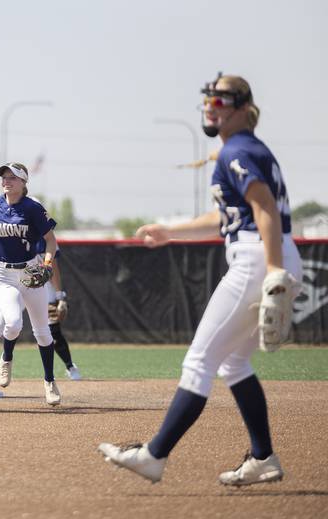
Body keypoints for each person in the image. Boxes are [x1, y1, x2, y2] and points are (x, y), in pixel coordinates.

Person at [98, 74, 302, 486]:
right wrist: (171, 231)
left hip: (257, 257)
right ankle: (262, 457)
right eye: (209, 99)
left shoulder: (237, 150)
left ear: (244, 107)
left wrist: (275, 271)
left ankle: (153, 455)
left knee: (199, 361)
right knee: (233, 361)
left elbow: (264, 209)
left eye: (222, 100)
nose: (212, 106)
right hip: (269, 252)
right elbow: (230, 215)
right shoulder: (243, 149)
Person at [0, 162, 61, 405]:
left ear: (24, 183)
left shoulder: (32, 208)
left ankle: (49, 381)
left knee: (43, 332)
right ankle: (6, 358)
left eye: (13, 178)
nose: (7, 180)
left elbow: (51, 241)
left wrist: (47, 264)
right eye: (4, 177)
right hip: (4, 275)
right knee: (13, 323)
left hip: (31, 273)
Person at [0, 241, 80, 382]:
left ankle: (70, 367)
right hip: (16, 284)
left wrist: (59, 294)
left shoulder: (45, 233)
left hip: (41, 286)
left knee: (51, 329)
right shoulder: (18, 228)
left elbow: (53, 265)